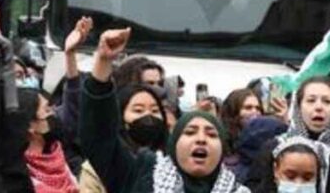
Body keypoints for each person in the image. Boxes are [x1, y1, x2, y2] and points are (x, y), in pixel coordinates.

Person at [80, 27, 251, 193]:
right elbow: (98, 136)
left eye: (212, 135)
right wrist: (103, 63)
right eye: (190, 132)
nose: (201, 139)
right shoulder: (141, 174)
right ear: (174, 144)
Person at [246, 76, 330, 193]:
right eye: (311, 100)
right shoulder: (275, 148)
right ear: (298, 106)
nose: (319, 107)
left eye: (326, 101)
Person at [79, 83, 169, 193]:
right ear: (121, 117)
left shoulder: (174, 160)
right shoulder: (98, 166)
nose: (148, 116)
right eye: (138, 110)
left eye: (155, 111)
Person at [19, 87, 79, 193]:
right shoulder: (23, 179)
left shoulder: (57, 153)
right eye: (46, 110)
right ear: (30, 126)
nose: (53, 112)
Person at [220, 88, 263, 158]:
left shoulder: (265, 139)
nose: (254, 112)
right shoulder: (222, 140)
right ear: (234, 112)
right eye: (248, 108)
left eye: (258, 108)